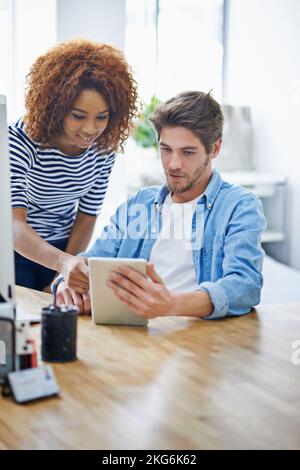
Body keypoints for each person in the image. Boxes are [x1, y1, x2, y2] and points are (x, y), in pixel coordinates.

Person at [52, 91, 266, 320]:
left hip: (198, 336)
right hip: (135, 333)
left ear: (214, 149)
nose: (173, 164)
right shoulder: (140, 203)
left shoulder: (239, 207)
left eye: (188, 152)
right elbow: (93, 261)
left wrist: (172, 305)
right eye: (166, 149)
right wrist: (67, 282)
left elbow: (245, 285)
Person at [9, 38, 138, 292]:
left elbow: (87, 216)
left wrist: (61, 273)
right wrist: (63, 264)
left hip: (65, 249)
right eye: (78, 116)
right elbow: (13, 224)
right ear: (56, 108)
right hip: (16, 250)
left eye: (101, 117)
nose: (91, 129)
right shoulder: (20, 140)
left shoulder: (103, 148)